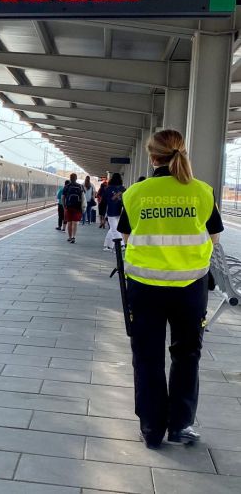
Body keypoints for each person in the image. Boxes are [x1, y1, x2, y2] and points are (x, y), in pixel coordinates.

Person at [117, 129, 223, 449]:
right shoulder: (201, 192)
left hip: (145, 288)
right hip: (190, 289)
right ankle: (181, 426)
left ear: (152, 157)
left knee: (147, 357)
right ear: (182, 152)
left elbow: (125, 236)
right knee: (187, 355)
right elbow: (214, 237)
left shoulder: (137, 193)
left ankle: (151, 428)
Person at [102, 173, 125, 251]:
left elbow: (104, 201)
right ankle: (116, 245)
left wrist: (102, 214)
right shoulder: (123, 188)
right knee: (114, 228)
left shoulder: (108, 189)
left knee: (114, 229)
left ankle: (112, 246)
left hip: (111, 211)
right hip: (120, 211)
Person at [62, 173, 84, 243]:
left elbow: (63, 197)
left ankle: (69, 237)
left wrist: (64, 206)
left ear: (70, 178)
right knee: (75, 223)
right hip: (77, 207)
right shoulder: (80, 186)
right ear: (76, 178)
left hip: (68, 206)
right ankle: (74, 237)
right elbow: (83, 196)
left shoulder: (67, 186)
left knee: (69, 222)